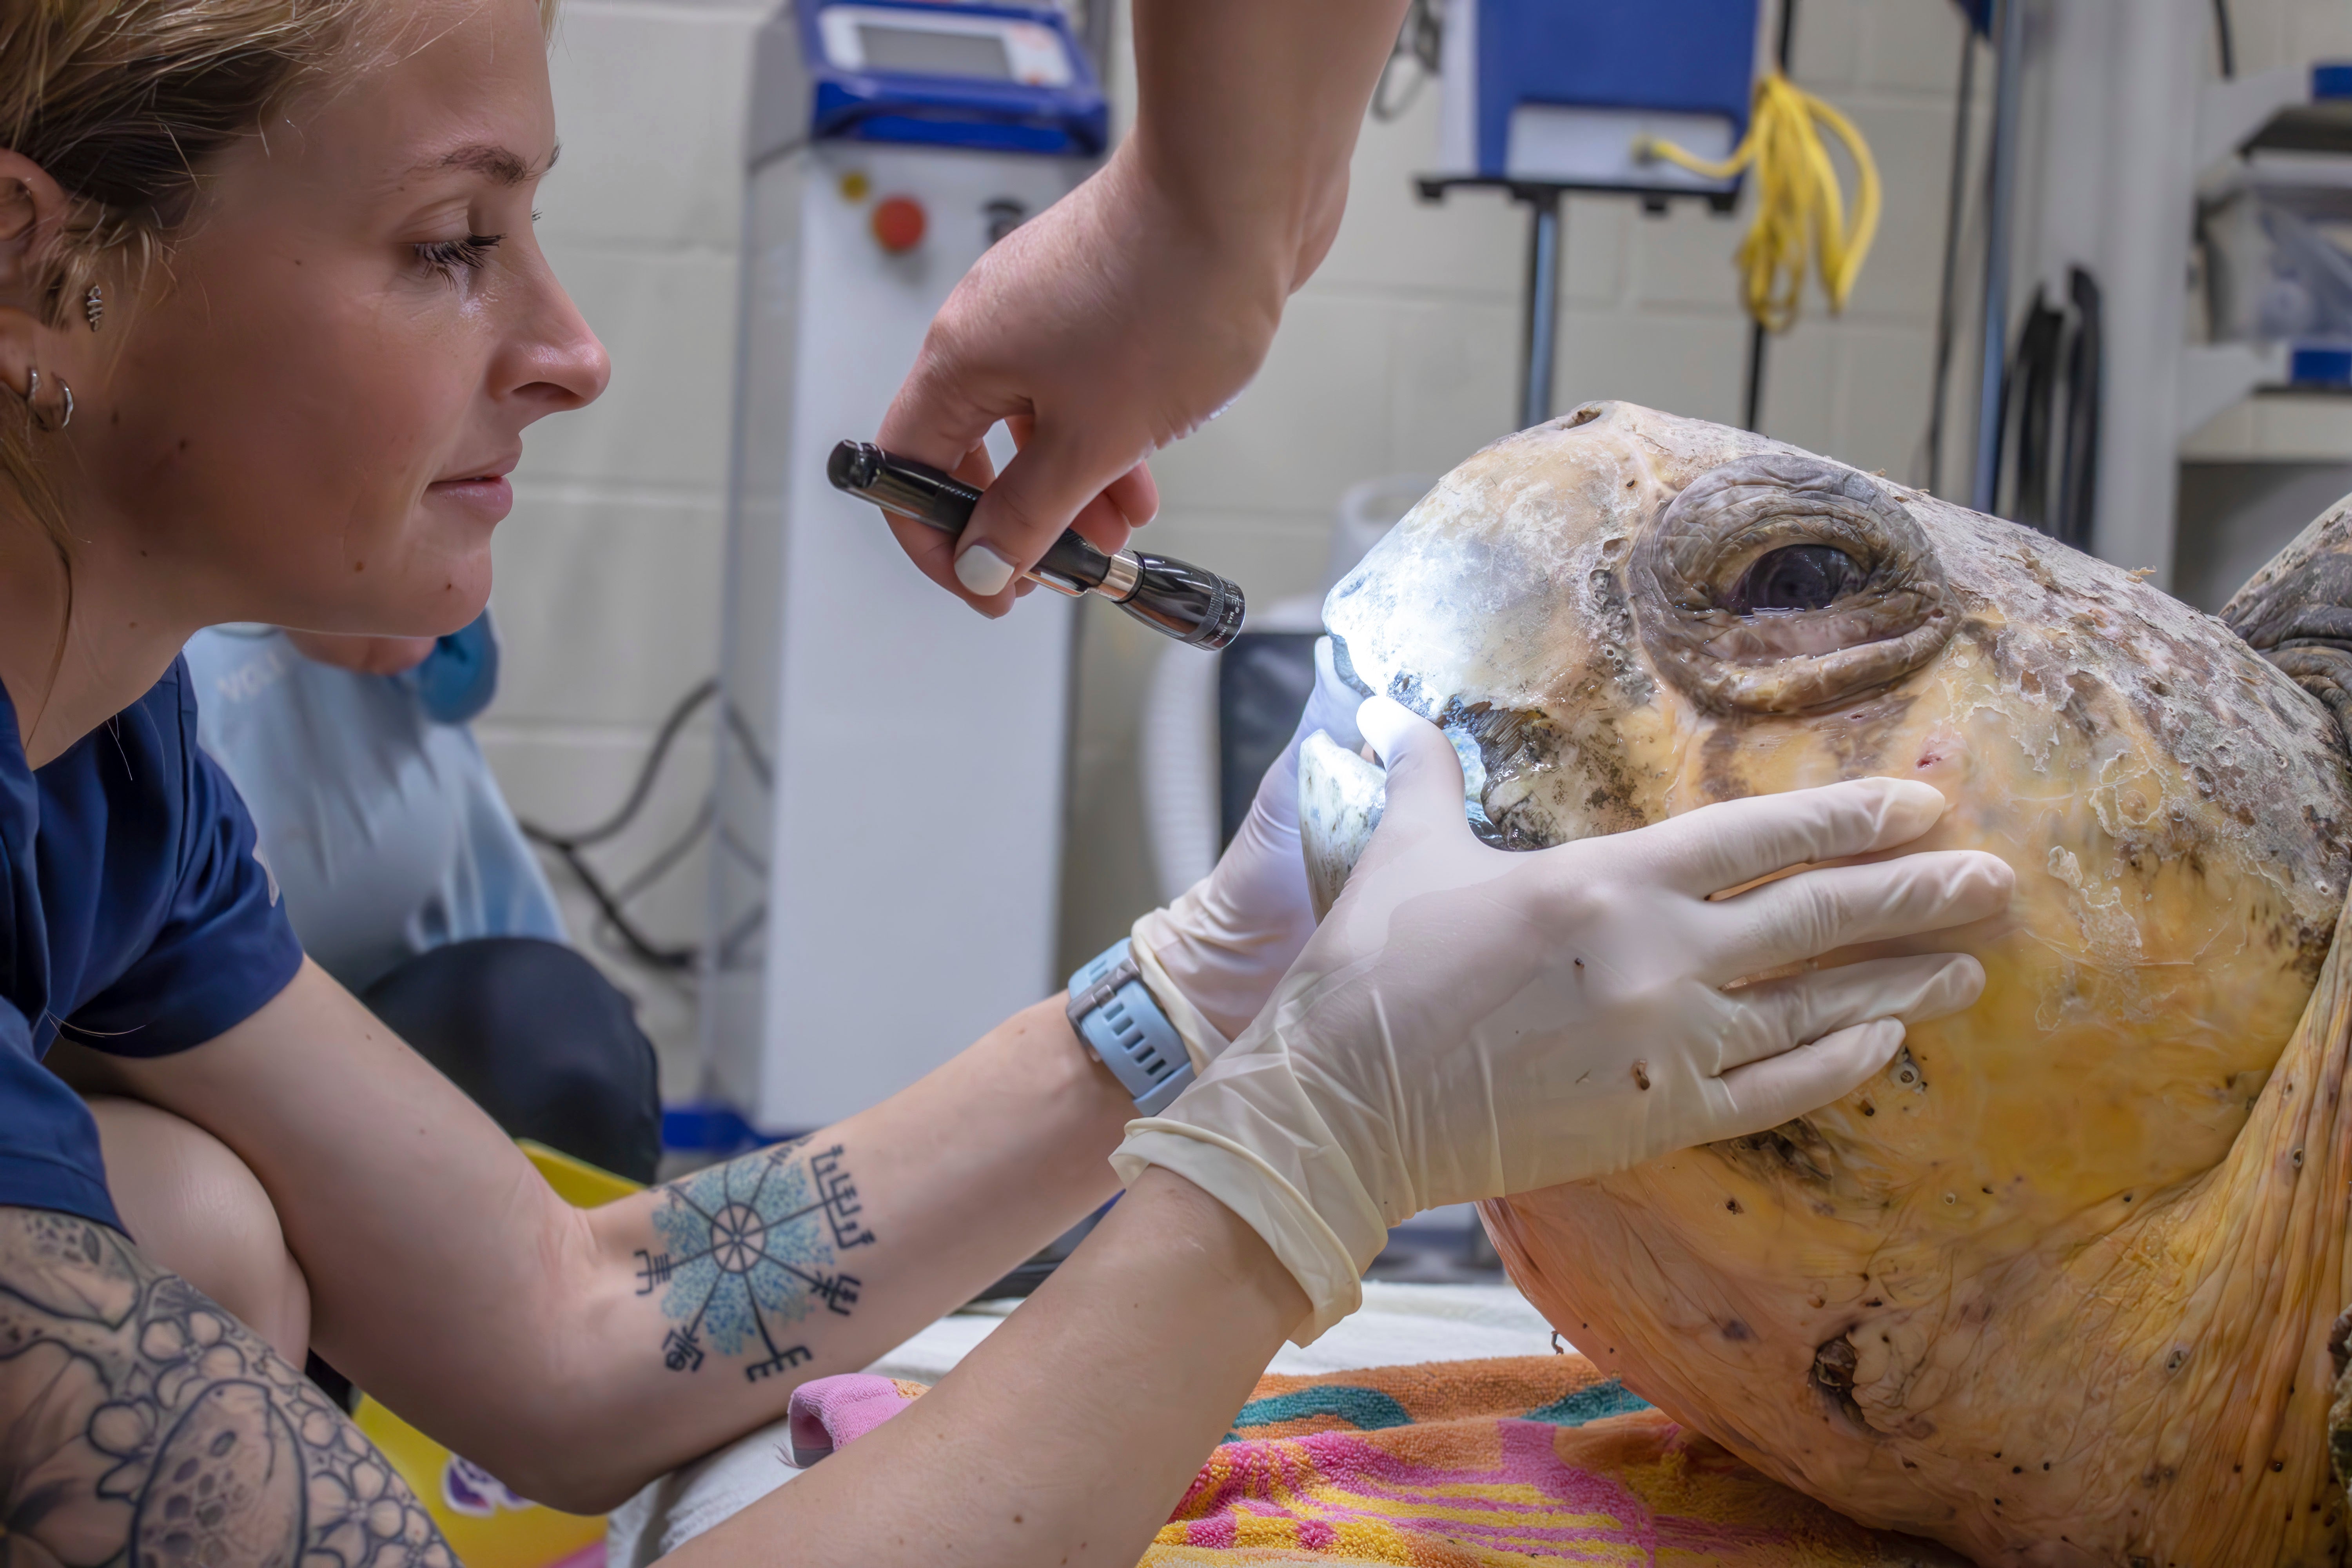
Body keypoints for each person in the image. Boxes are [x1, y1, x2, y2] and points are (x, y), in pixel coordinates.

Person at [0, 6, 2014, 1568]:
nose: (570, 347)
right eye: (450, 244)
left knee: (192, 1222)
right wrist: (1300, 1160)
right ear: (41, 268)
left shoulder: (101, 754)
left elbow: (566, 1321)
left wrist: (1198, 993)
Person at [181, 616, 662, 1183]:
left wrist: (398, 610)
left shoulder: (384, 612)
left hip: (471, 1006)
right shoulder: (159, 667)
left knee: (560, 1055)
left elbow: (446, 658)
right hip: (246, 1046)